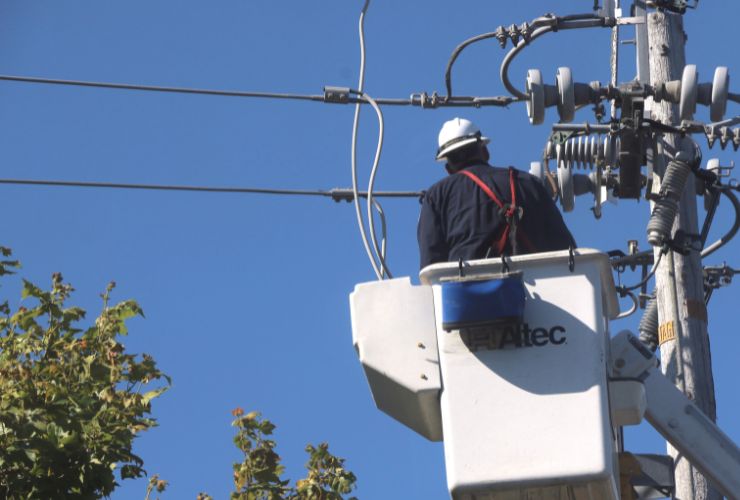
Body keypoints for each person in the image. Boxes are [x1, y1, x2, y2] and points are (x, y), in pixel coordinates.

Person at [418, 117, 575, 269]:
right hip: (534, 289)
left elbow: (431, 267)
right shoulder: (528, 183)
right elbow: (565, 248)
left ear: (448, 169)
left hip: (464, 293)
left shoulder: (436, 197)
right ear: (485, 152)